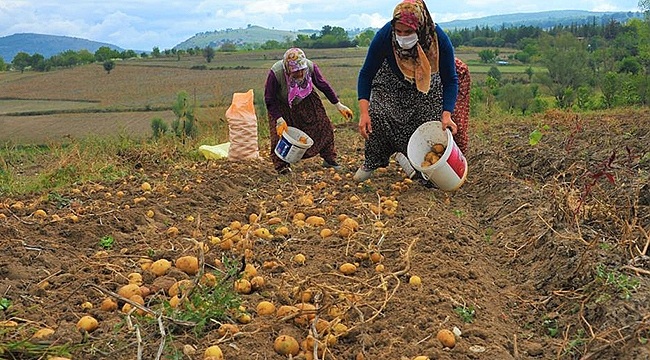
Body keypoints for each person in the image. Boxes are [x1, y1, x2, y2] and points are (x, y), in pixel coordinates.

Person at [354, 0, 461, 183]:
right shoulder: (384, 36)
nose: (402, 37)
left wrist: (446, 114)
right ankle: (372, 161)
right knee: (378, 113)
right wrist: (364, 112)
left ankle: (416, 163)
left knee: (428, 120)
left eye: (409, 32)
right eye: (399, 32)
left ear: (419, 29)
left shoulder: (437, 39)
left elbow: (450, 79)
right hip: (391, 78)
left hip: (425, 80)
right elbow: (366, 74)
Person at [264, 47, 354, 174]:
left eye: (302, 70)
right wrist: (279, 119)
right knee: (280, 134)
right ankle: (282, 166)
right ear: (288, 69)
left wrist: (338, 105)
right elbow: (269, 98)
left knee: (323, 125)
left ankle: (329, 158)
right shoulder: (276, 72)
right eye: (296, 72)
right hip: (281, 104)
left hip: (306, 99)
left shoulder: (310, 67)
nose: (300, 74)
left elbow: (323, 85)